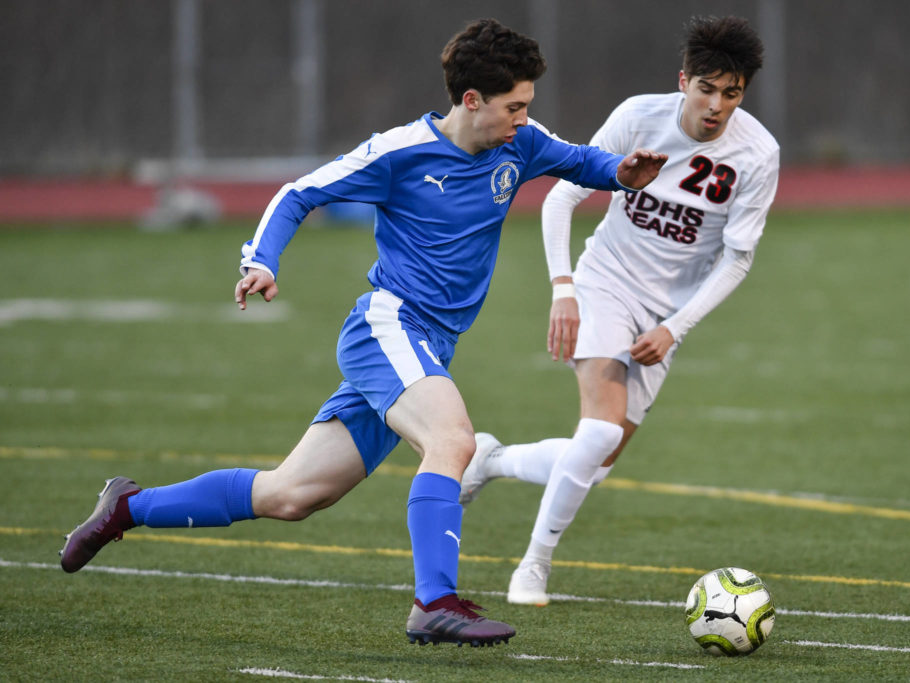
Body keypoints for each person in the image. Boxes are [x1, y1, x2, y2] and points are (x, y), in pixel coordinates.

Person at [58, 18, 666, 646]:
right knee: (453, 442)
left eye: (528, 106)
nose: (524, 117)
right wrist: (261, 260)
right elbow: (299, 193)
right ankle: (435, 602)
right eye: (514, 105)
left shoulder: (520, 142)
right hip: (389, 326)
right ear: (472, 101)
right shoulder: (399, 152)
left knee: (290, 494)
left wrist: (623, 171)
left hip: (429, 345)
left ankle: (125, 507)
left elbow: (582, 161)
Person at [460, 15, 779, 606]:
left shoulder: (758, 154)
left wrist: (673, 327)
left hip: (666, 316)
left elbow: (736, 259)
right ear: (683, 80)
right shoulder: (638, 116)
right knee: (600, 428)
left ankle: (492, 459)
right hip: (605, 282)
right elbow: (564, 195)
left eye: (730, 94)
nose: (715, 105)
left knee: (596, 460)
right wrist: (565, 288)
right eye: (705, 88)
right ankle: (533, 565)